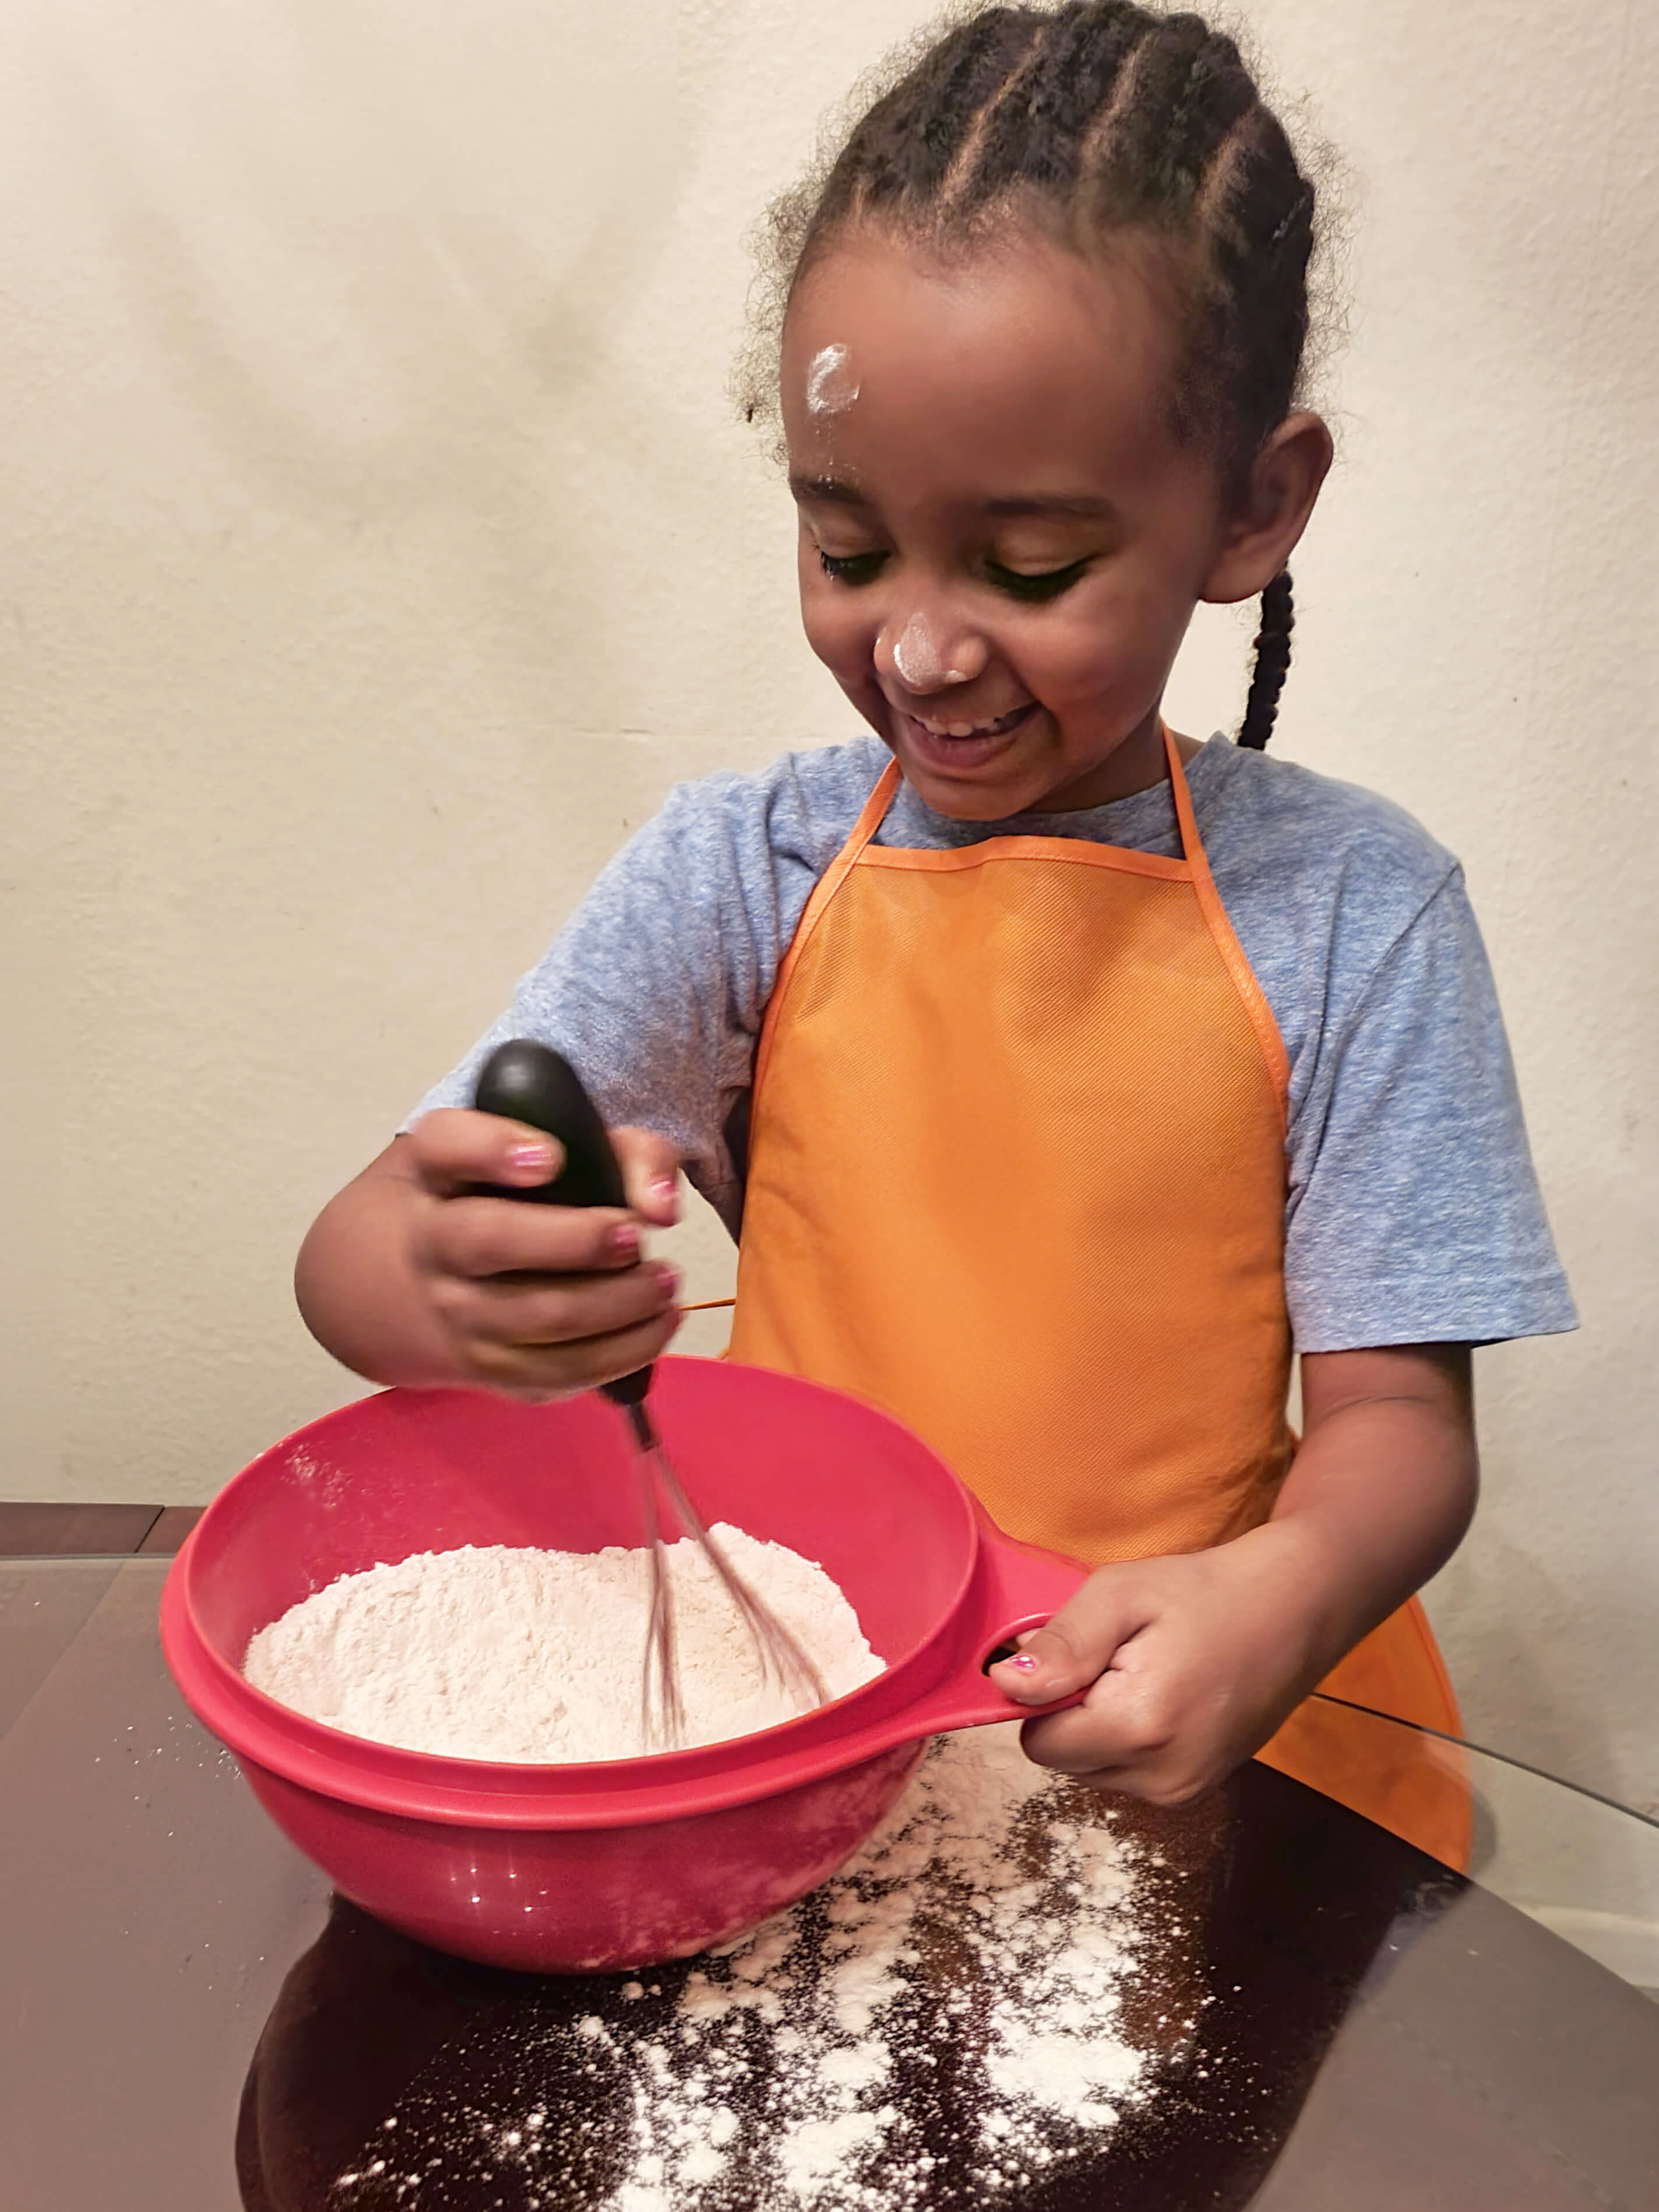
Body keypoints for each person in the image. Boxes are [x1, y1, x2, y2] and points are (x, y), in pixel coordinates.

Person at [295, 2, 1575, 1863]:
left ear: (1252, 506)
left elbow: (1400, 1426)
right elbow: (362, 1258)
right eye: (847, 547)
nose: (919, 645)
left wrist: (1284, 1596)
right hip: (805, 1704)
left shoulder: (1360, 912)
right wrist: (435, 1270)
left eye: (1031, 566)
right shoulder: (739, 866)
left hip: (1170, 1736)